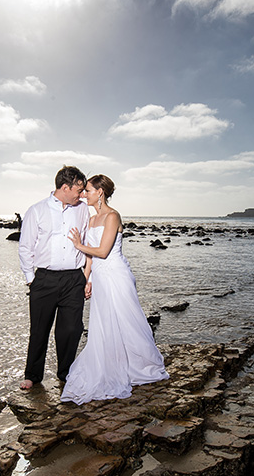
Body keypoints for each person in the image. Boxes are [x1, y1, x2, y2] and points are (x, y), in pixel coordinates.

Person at [61, 174, 168, 405]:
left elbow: (103, 251)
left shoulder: (112, 216)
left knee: (126, 322)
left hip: (116, 276)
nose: (84, 195)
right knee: (105, 324)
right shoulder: (91, 220)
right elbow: (90, 258)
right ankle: (112, 363)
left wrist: (78, 244)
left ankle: (138, 365)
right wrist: (85, 281)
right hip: (100, 278)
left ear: (100, 192)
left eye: (87, 190)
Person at [18, 165, 91, 391]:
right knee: (39, 330)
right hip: (44, 280)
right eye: (78, 190)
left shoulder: (82, 211)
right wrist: (32, 279)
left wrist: (87, 278)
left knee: (71, 329)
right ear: (65, 187)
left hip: (73, 279)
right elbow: (25, 247)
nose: (81, 195)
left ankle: (66, 373)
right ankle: (32, 375)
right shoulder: (36, 210)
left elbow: (87, 245)